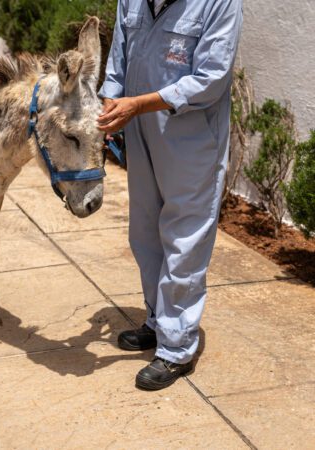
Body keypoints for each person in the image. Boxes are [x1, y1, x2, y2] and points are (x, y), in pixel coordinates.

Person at [97, 0, 243, 390]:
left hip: (191, 136)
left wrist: (138, 104)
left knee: (184, 238)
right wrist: (110, 105)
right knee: (144, 232)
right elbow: (119, 59)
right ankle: (158, 320)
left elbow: (211, 78)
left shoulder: (220, 3)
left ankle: (177, 348)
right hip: (138, 129)